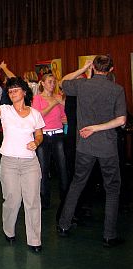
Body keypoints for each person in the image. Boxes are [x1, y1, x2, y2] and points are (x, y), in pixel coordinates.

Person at [57, 56, 127, 248]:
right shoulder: (117, 89)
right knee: (112, 189)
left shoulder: (82, 86)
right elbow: (121, 120)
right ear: (111, 69)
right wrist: (97, 128)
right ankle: (108, 235)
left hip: (85, 145)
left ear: (93, 67)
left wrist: (82, 69)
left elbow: (63, 82)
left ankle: (63, 225)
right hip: (107, 147)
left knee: (77, 183)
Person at [0, 76, 45, 253]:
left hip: (30, 164)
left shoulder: (35, 113)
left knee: (33, 201)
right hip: (9, 163)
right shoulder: (5, 110)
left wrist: (36, 142)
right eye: (10, 91)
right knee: (12, 200)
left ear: (24, 92)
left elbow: (39, 134)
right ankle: (9, 230)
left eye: (16, 90)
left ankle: (35, 240)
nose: (12, 93)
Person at [32, 74, 68, 212]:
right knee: (43, 169)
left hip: (58, 134)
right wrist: (53, 103)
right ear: (42, 83)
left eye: (54, 82)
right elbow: (38, 116)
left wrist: (65, 118)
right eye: (49, 82)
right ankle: (44, 201)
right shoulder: (38, 98)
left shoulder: (59, 97)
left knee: (63, 168)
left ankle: (65, 199)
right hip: (44, 136)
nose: (52, 84)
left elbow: (64, 115)